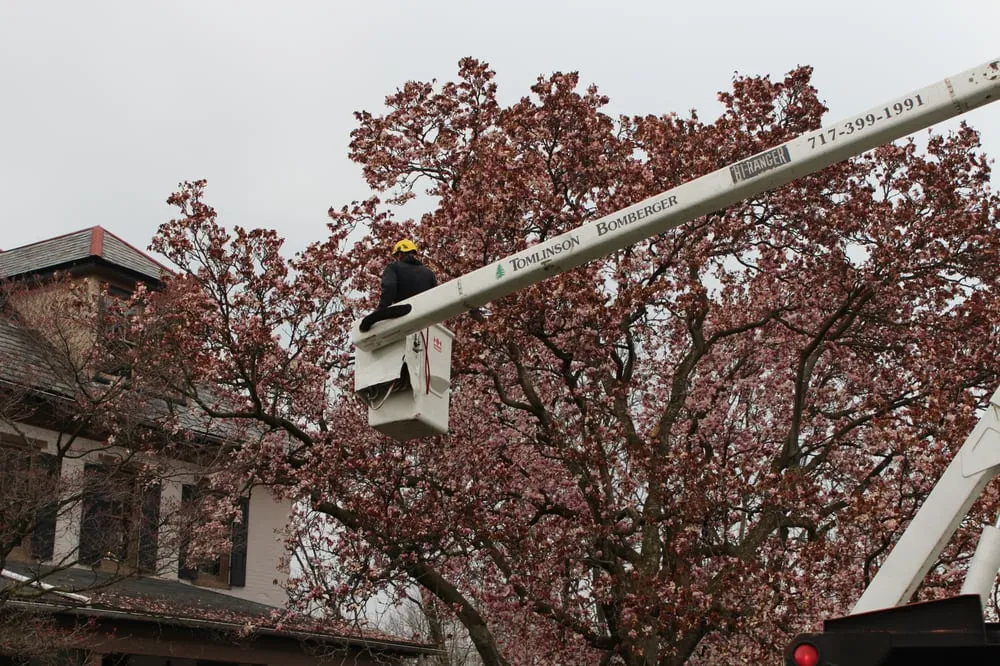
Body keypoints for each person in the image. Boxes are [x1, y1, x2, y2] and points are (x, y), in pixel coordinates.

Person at [376, 238, 437, 310]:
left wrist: (381, 309)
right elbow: (435, 295)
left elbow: (389, 287)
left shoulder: (393, 267)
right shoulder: (429, 273)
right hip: (426, 312)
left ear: (400, 254)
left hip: (405, 312)